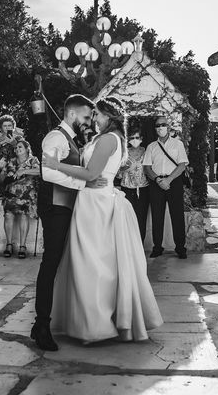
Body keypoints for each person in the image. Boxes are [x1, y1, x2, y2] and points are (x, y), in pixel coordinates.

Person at [42, 96, 163, 345]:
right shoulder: (104, 138)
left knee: (93, 264)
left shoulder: (109, 138)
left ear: (108, 116)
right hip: (92, 200)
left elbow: (90, 174)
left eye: (96, 114)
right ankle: (90, 321)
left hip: (96, 203)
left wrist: (56, 164)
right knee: (91, 262)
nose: (93, 118)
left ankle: (94, 325)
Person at [30, 94, 107, 351]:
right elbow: (48, 172)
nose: (88, 122)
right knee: (50, 264)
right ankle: (41, 325)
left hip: (65, 208)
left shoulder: (71, 141)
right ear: (72, 115)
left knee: (56, 264)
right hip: (55, 208)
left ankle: (42, 322)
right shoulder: (55, 138)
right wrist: (83, 183)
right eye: (85, 117)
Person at [143, 115, 189, 259]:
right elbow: (147, 167)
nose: (160, 127)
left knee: (177, 215)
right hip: (156, 183)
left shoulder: (178, 144)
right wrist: (157, 179)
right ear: (155, 129)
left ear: (168, 127)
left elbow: (182, 165)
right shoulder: (151, 146)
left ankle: (180, 248)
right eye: (157, 125)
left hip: (174, 182)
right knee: (157, 216)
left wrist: (168, 180)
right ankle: (157, 247)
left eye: (163, 124)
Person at [0, 139, 40, 259]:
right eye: (16, 148)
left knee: (23, 216)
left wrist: (24, 170)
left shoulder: (33, 160)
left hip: (26, 195)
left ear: (27, 149)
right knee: (8, 215)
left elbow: (40, 171)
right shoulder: (11, 161)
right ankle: (9, 245)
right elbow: (1, 178)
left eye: (20, 147)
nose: (17, 149)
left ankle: (23, 246)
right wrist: (4, 175)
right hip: (11, 194)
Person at [117, 128, 150, 241]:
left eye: (137, 137)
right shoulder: (123, 153)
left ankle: (140, 246)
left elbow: (150, 170)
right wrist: (125, 168)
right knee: (127, 219)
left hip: (143, 189)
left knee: (141, 219)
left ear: (141, 139)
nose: (134, 140)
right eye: (132, 138)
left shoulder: (147, 152)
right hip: (126, 189)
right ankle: (129, 247)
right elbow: (117, 174)